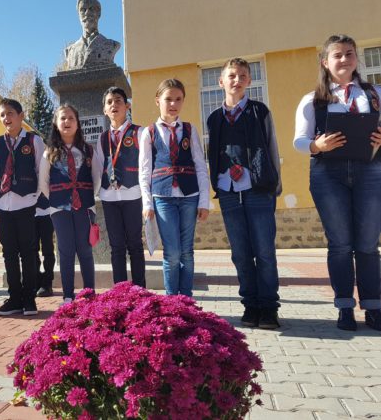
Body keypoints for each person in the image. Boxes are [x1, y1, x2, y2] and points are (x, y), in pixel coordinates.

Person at [293, 34, 381, 331]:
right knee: (341, 244)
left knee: (368, 243)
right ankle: (345, 307)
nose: (344, 59)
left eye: (349, 53)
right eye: (337, 55)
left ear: (356, 58)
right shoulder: (312, 99)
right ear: (325, 62)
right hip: (328, 175)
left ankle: (373, 307)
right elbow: (299, 141)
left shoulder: (375, 93)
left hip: (370, 171)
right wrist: (316, 145)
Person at [206, 58, 281, 330]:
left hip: (257, 189)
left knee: (264, 251)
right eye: (231, 76)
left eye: (242, 76)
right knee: (240, 252)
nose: (236, 80)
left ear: (249, 80)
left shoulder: (259, 111)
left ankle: (268, 308)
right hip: (228, 191)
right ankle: (250, 305)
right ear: (221, 82)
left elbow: (271, 148)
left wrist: (273, 186)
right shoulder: (214, 118)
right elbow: (213, 153)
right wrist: (216, 183)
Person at [138, 79, 209, 297]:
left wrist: (204, 201)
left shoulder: (189, 130)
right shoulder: (149, 132)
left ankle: (186, 299)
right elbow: (144, 171)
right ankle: (172, 301)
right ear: (157, 101)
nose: (173, 104)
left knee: (187, 251)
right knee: (172, 252)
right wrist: (147, 203)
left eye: (178, 99)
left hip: (189, 195)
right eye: (168, 99)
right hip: (163, 196)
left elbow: (200, 165)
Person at [39, 104, 101, 306]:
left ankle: (89, 293)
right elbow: (43, 182)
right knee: (65, 250)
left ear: (77, 123)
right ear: (56, 124)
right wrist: (58, 198)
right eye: (62, 118)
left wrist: (84, 195)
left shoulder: (88, 150)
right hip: (59, 208)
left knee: (85, 250)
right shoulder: (49, 153)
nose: (67, 122)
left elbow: (97, 178)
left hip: (85, 206)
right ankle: (68, 295)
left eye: (71, 118)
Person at [0, 98, 45, 316]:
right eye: (2, 115)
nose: (6, 118)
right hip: (3, 205)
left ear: (21, 116)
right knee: (9, 253)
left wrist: (35, 197)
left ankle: (29, 299)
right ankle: (14, 298)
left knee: (29, 252)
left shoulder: (34, 140)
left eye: (10, 113)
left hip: (26, 203)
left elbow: (41, 171)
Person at [97, 87, 146, 287]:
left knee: (135, 245)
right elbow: (99, 167)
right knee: (116, 247)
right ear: (104, 110)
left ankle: (140, 290)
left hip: (133, 194)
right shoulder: (102, 138)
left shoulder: (139, 132)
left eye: (118, 100)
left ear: (127, 106)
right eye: (109, 102)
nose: (114, 105)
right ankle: (120, 292)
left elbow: (146, 167)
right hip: (109, 198)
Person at [64, 0, 121, 70]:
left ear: (99, 13)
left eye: (91, 9)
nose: (87, 13)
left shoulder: (111, 45)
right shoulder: (70, 51)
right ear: (78, 15)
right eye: (83, 10)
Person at [34, 192, 55, 297]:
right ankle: (35, 281)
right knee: (32, 250)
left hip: (47, 211)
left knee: (48, 249)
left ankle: (47, 283)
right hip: (29, 212)